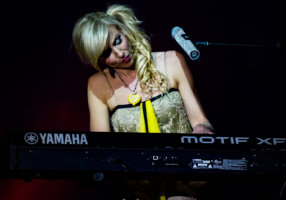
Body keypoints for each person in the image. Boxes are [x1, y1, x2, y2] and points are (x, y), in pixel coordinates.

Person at [72, 4, 214, 199]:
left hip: (184, 174)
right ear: (98, 59)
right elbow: (100, 149)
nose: (120, 54)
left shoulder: (171, 61)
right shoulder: (97, 84)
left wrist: (201, 129)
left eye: (118, 41)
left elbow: (201, 121)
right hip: (135, 184)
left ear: (123, 30)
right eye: (107, 53)